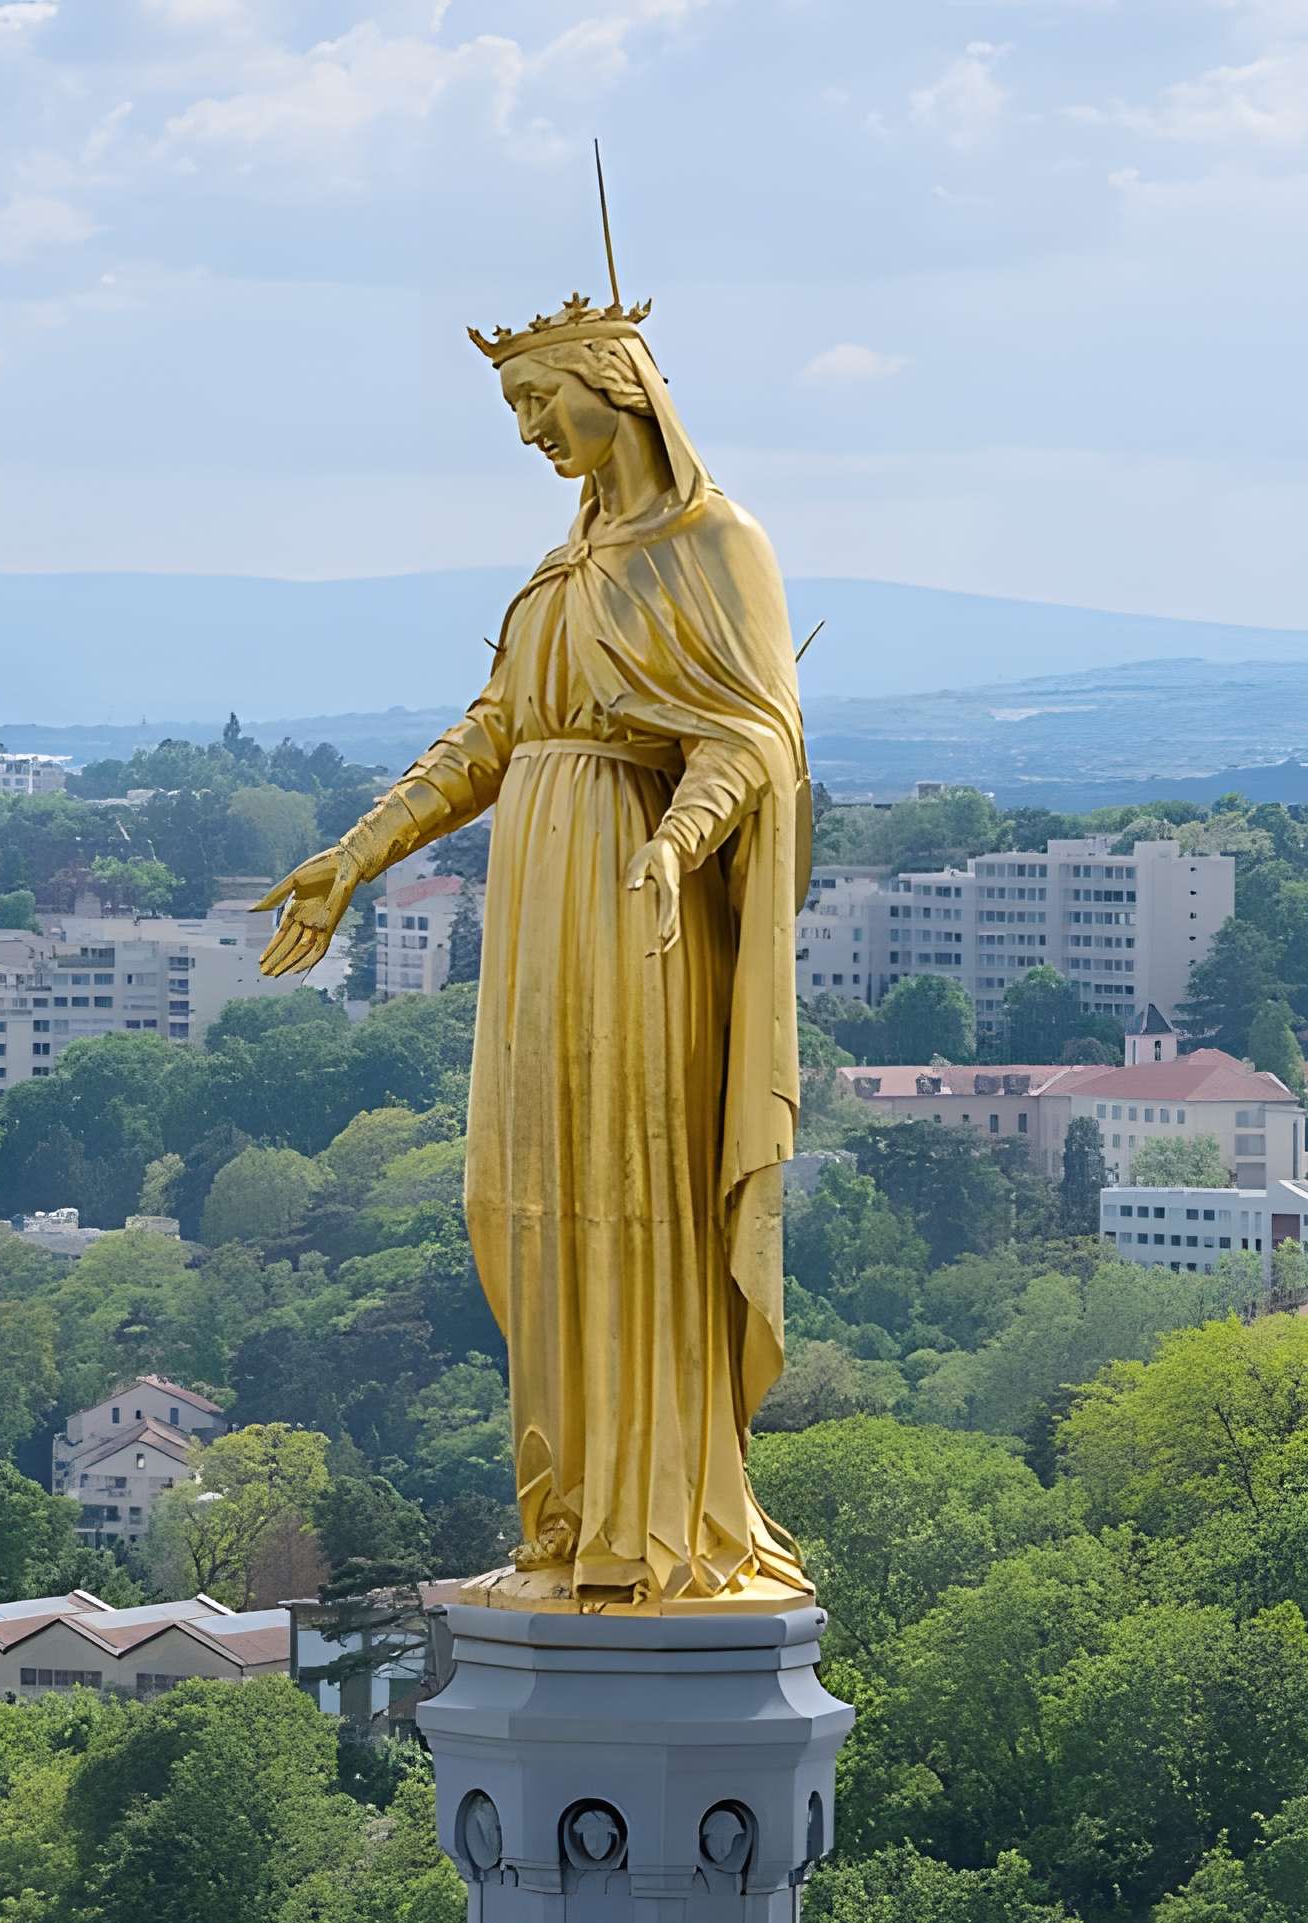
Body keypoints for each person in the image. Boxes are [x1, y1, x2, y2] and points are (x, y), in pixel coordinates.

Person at [255, 288, 813, 1609]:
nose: (527, 433)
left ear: (618, 386)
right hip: (538, 909)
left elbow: (752, 735)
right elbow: (490, 736)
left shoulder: (717, 543)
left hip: (636, 904)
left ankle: (659, 1517)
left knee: (636, 1183)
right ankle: (565, 1519)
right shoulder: (563, 566)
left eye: (537, 402)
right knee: (531, 1190)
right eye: (512, 410)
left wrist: (677, 842)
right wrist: (355, 855)